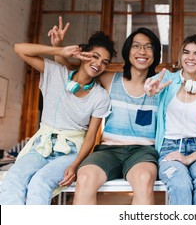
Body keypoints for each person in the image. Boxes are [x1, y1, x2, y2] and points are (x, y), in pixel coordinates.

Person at [49, 17, 163, 205]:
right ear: (128, 52)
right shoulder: (110, 79)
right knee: (84, 176)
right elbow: (74, 76)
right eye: (136, 46)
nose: (142, 51)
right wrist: (58, 48)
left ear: (155, 53)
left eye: (148, 47)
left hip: (143, 152)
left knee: (144, 178)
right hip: (108, 151)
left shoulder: (161, 85)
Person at [0, 31, 115, 205]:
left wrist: (75, 165)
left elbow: (91, 137)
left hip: (71, 151)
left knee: (40, 183)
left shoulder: (100, 96)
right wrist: (60, 51)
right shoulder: (56, 73)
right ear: (83, 54)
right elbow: (19, 48)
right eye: (95, 56)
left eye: (104, 62)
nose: (98, 64)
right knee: (13, 179)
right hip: (41, 145)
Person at [144, 34, 196, 205]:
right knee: (181, 185)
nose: (190, 57)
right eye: (186, 52)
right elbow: (151, 84)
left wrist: (190, 158)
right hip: (169, 149)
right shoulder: (167, 79)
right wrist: (150, 89)